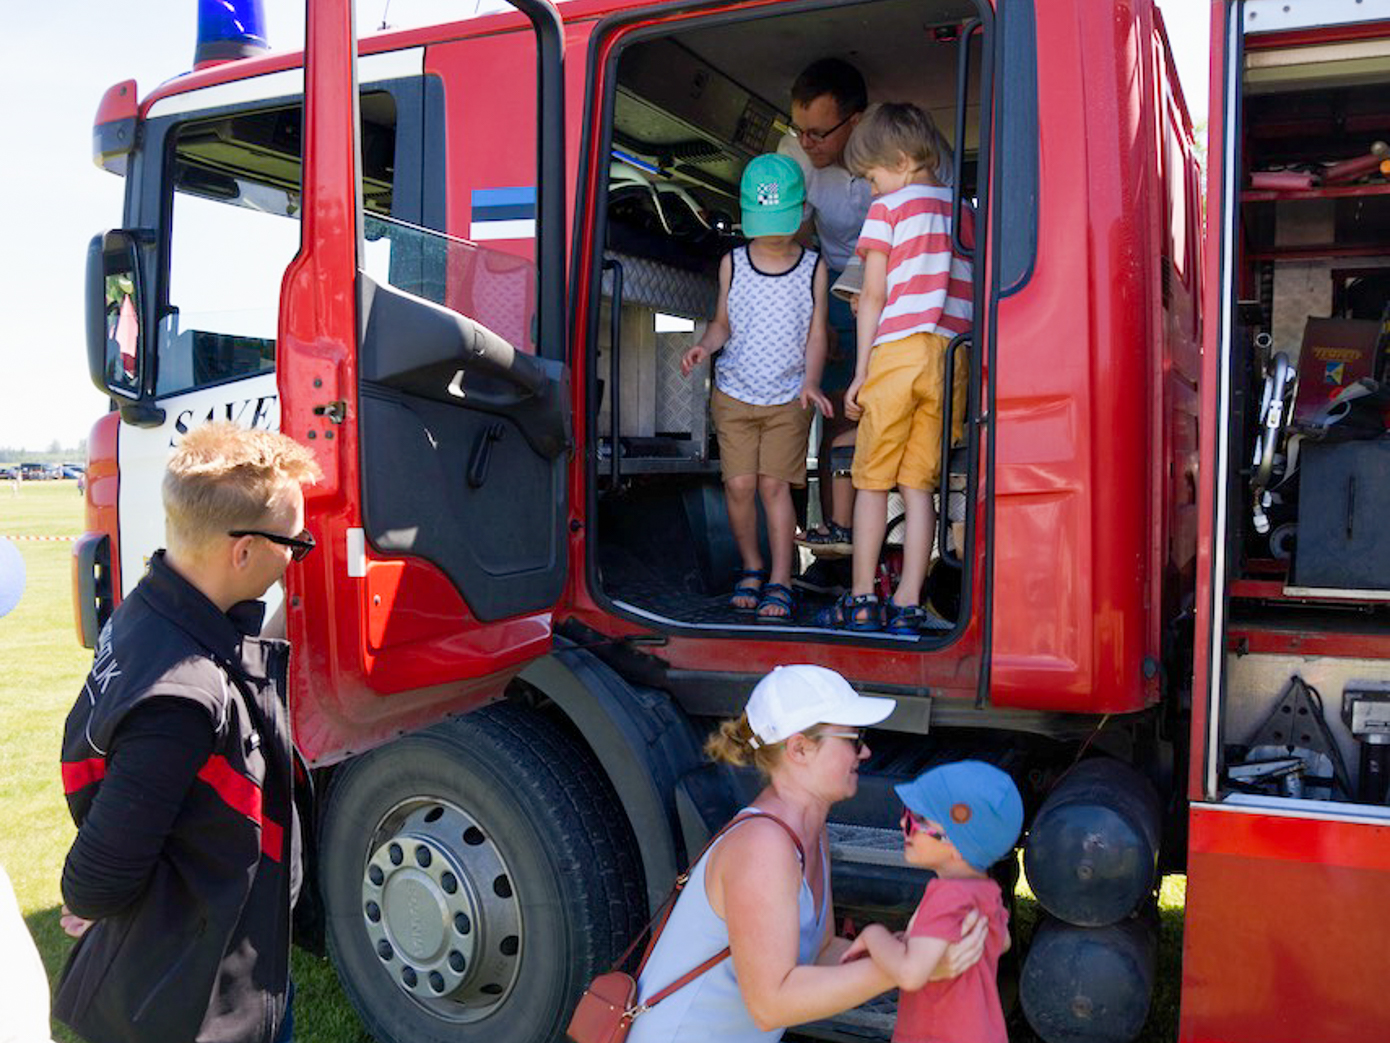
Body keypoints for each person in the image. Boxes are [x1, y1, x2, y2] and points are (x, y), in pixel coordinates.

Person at [55, 420, 322, 1043]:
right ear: (243, 551)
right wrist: (92, 899)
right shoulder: (182, 699)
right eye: (295, 543)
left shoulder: (149, 606)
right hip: (198, 1001)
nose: (295, 556)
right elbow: (94, 877)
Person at [626, 664, 988, 1042]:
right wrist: (903, 967)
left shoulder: (810, 836)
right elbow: (771, 1006)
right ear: (799, 748)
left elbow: (823, 952)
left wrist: (912, 950)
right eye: (853, 737)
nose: (865, 751)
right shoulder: (763, 848)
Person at [823, 102, 971, 633]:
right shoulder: (962, 209)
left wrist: (862, 370)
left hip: (898, 352)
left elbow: (874, 291)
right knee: (918, 485)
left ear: (904, 160)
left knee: (870, 481)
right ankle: (909, 598)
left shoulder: (889, 211)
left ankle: (862, 595)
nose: (871, 188)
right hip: (951, 361)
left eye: (872, 176)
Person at [681, 154, 832, 622]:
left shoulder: (813, 267)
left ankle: (782, 579)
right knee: (740, 485)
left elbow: (817, 333)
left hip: (790, 397)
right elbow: (723, 322)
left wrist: (810, 381)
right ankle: (751, 566)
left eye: (779, 221)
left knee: (773, 487)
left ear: (801, 212)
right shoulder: (734, 263)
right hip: (735, 393)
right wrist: (705, 347)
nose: (770, 232)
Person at [840, 760, 1023, 1043]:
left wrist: (873, 934)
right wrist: (921, 942)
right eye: (906, 814)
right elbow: (1002, 943)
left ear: (960, 845)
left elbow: (911, 974)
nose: (903, 823)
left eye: (919, 820)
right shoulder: (986, 891)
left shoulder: (947, 896)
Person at [779, 59, 873, 555]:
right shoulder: (793, 151)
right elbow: (793, 240)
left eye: (818, 132)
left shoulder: (893, 144)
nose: (806, 142)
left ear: (855, 121)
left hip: (892, 274)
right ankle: (835, 545)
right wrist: (814, 319)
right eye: (801, 129)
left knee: (872, 411)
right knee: (833, 411)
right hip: (832, 275)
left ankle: (869, 539)